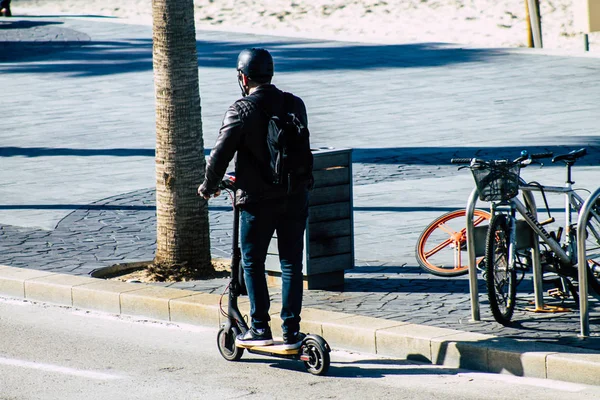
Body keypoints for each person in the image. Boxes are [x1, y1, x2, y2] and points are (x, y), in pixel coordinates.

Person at [198, 48, 311, 350]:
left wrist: (209, 186)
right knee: (291, 264)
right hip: (295, 195)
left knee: (252, 261)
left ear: (243, 78)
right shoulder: (294, 104)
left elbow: (219, 155)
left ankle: (259, 327)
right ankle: (291, 332)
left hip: (258, 200)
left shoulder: (240, 109)